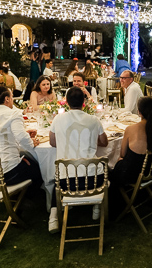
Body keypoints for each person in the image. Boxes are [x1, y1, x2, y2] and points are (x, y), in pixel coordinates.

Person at [47, 87, 108, 232]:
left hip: (66, 183)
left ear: (66, 103)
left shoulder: (58, 118)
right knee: (106, 169)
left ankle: (54, 217)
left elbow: (52, 142)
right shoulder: (93, 120)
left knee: (58, 175)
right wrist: (91, 140)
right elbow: (105, 142)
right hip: (94, 181)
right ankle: (96, 208)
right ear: (84, 102)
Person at [0, 85, 42, 192]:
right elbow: (21, 137)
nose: (12, 100)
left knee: (26, 162)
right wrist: (31, 143)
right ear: (7, 99)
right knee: (38, 168)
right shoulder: (13, 114)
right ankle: (27, 199)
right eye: (11, 97)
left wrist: (24, 135)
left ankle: (20, 196)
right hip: (6, 174)